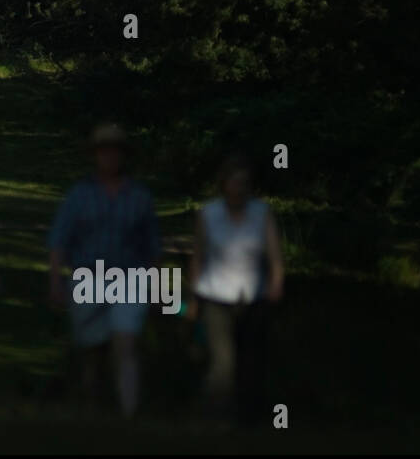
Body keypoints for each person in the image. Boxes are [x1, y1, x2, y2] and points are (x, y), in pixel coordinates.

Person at [47, 123, 160, 418]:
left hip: (129, 278)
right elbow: (59, 240)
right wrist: (56, 281)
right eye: (104, 152)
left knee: (126, 343)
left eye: (115, 152)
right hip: (87, 277)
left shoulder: (140, 196)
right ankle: (92, 407)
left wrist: (157, 288)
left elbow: (152, 247)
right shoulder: (78, 195)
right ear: (95, 155)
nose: (110, 158)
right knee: (92, 349)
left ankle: (128, 411)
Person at [187, 154, 284, 425]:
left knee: (252, 362)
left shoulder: (262, 213)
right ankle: (215, 418)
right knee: (223, 363)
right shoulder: (208, 214)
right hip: (216, 296)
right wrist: (193, 299)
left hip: (253, 297)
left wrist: (276, 282)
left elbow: (274, 255)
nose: (239, 188)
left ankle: (249, 420)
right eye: (234, 182)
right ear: (224, 184)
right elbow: (198, 257)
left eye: (244, 183)